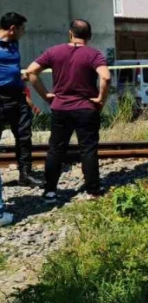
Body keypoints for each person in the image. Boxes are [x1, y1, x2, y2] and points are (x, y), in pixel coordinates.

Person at [26, 19, 110, 200]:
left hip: (60, 108)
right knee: (88, 149)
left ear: (70, 33)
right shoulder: (94, 54)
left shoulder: (54, 52)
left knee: (56, 149)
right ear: (89, 36)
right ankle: (93, 191)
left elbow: (31, 72)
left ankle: (50, 191)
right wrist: (100, 100)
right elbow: (106, 78)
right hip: (86, 108)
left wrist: (46, 95)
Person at [0, 12, 43, 189]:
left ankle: (25, 174)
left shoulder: (14, 44)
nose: (23, 33)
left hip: (16, 95)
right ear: (12, 29)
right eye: (21, 29)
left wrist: (19, 78)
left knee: (24, 136)